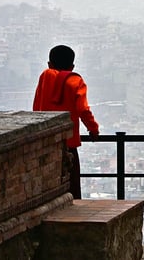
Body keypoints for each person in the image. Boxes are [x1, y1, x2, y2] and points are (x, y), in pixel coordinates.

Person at [33, 44, 100, 199]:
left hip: (46, 139)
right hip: (68, 142)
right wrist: (93, 129)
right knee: (71, 184)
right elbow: (83, 110)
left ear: (49, 64)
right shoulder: (75, 81)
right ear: (72, 66)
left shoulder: (45, 76)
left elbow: (36, 106)